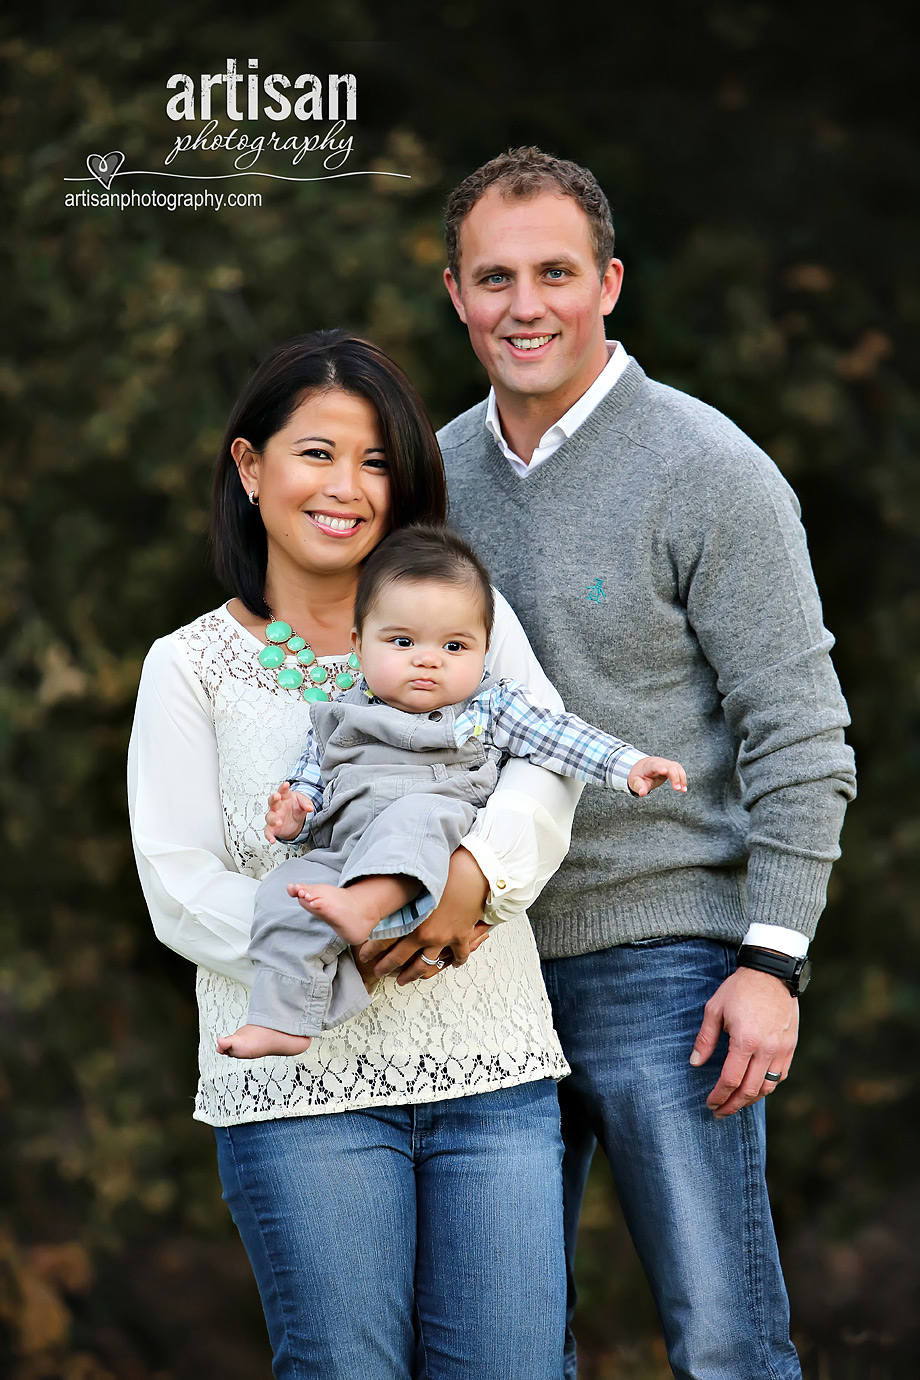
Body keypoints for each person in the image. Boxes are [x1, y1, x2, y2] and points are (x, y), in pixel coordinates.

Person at [435, 148, 857, 1379]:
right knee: (502, 1351)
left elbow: (799, 728)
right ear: (454, 296)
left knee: (723, 1340)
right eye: (494, 277)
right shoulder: (434, 478)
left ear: (607, 283)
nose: (526, 305)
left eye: (554, 272)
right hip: (484, 960)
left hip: (663, 964)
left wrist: (770, 959)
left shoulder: (704, 467)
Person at [127, 329, 584, 1379]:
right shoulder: (190, 667)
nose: (348, 487)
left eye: (377, 460)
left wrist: (461, 889)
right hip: (298, 1100)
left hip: (490, 1074)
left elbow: (543, 765)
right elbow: (177, 882)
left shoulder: (462, 617)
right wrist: (338, 942)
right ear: (250, 469)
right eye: (317, 453)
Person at [217, 523, 687, 1060]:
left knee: (416, 814)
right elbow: (312, 777)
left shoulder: (490, 705)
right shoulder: (342, 709)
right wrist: (295, 814)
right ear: (358, 644)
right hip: (341, 851)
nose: (428, 658)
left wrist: (626, 764)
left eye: (455, 645)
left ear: (485, 651)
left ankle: (365, 906)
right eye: (402, 641)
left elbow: (560, 736)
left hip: (428, 834)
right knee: (282, 893)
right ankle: (283, 1018)